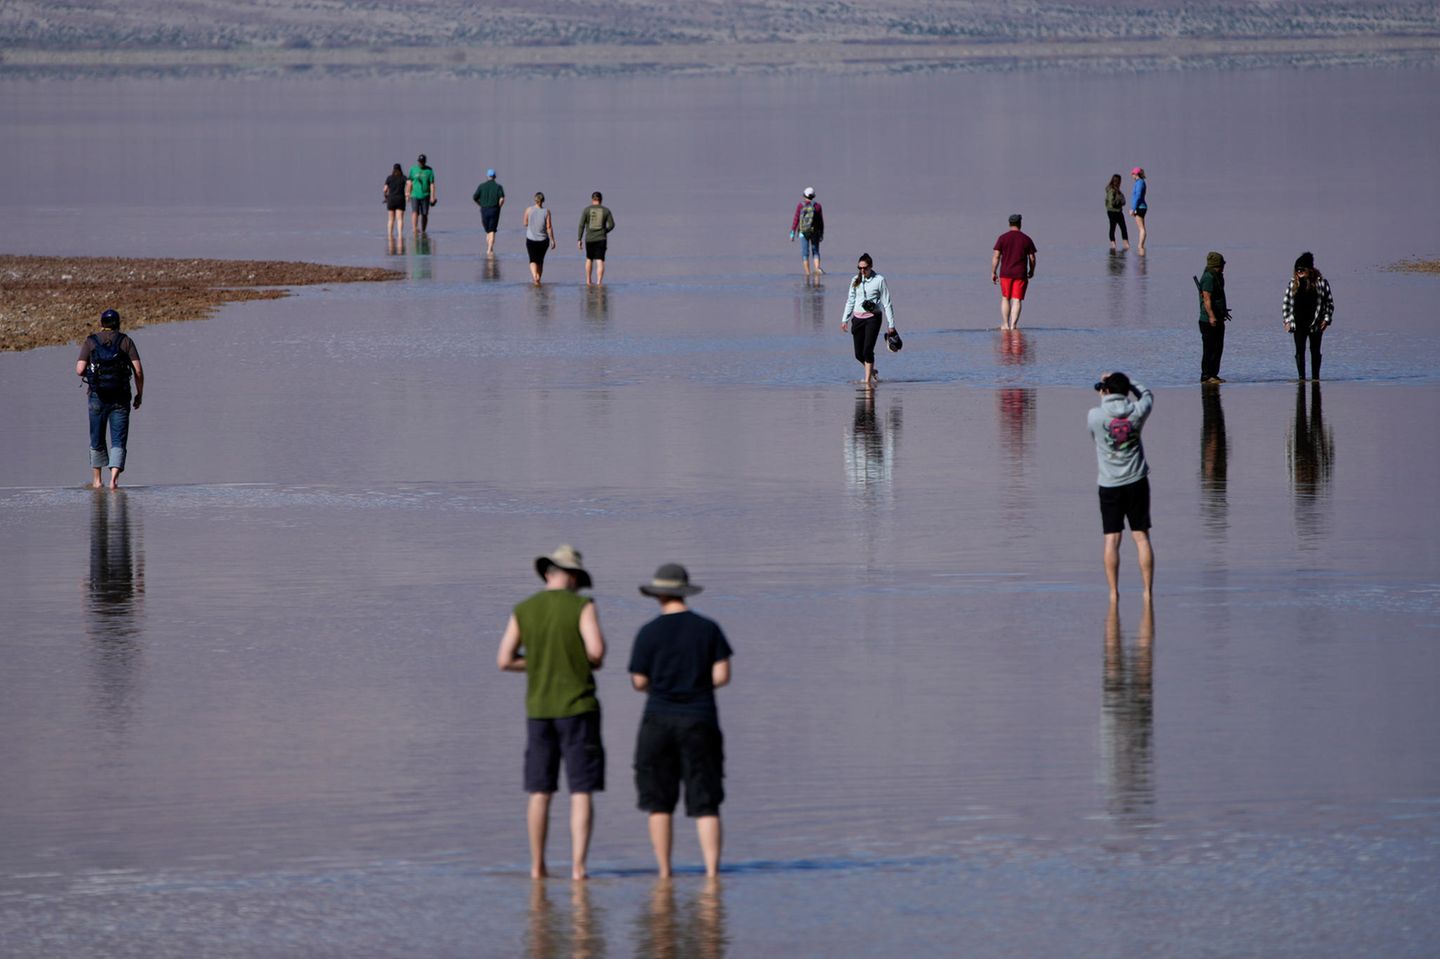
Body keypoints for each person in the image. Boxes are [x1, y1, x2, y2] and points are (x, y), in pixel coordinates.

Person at [496, 545, 607, 881]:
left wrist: (539, 662)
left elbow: (504, 660)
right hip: (578, 707)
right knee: (580, 790)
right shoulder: (582, 606)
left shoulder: (523, 609)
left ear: (548, 573)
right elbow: (597, 653)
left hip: (539, 709)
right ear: (572, 576)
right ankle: (578, 867)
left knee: (540, 791)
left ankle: (537, 866)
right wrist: (573, 661)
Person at [628, 564, 733, 878]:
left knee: (659, 802)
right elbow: (722, 676)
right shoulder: (708, 628)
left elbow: (638, 681)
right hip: (700, 717)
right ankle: (713, 872)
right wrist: (696, 685)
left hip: (658, 718)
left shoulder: (648, 632)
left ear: (658, 594)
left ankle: (664, 872)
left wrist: (661, 686)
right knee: (706, 800)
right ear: (685, 591)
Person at [1087, 372, 1155, 600]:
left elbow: (1094, 436)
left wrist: (1105, 394)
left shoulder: (1095, 416)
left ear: (1105, 391)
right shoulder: (1137, 412)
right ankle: (1147, 591)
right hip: (1137, 481)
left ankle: (1114, 593)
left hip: (1109, 484)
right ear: (1126, 391)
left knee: (1112, 539)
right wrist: (1130, 381)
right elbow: (1146, 394)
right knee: (1141, 537)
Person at [75, 309, 144, 490]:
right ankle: (113, 480)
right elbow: (138, 371)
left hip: (97, 397)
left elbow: (79, 369)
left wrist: (91, 375)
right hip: (121, 397)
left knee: (96, 438)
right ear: (118, 324)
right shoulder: (126, 341)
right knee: (118, 440)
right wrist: (139, 394)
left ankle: (97, 481)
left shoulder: (91, 341)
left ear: (101, 324)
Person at [841, 252, 898, 388]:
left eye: (865, 268)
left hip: (873, 318)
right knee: (858, 354)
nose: (862, 271)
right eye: (859, 268)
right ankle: (872, 370)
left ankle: (867, 383)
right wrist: (845, 319)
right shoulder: (855, 280)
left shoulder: (879, 280)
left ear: (871, 266)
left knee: (867, 350)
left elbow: (887, 302)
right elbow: (850, 300)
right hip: (857, 319)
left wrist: (891, 324)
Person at [1282, 251, 1335, 381]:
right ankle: (1301, 378)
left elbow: (1329, 303)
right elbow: (1286, 303)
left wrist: (1326, 320)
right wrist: (1287, 321)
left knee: (1315, 350)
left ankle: (1315, 378)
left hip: (1315, 323)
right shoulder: (1293, 283)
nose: (1299, 273)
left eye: (1302, 270)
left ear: (1309, 270)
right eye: (1297, 270)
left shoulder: (1321, 283)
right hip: (1298, 323)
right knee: (1300, 350)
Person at [991, 214, 1037, 331]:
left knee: (1005, 298)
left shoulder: (1002, 238)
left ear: (1009, 224)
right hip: (1020, 274)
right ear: (1020, 224)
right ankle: (1013, 326)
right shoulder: (1026, 239)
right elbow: (1032, 258)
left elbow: (996, 256)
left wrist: (993, 271)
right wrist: (1032, 270)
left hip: (1005, 273)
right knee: (1017, 299)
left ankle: (1005, 325)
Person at [1196, 251, 1231, 384]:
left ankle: (1214, 375)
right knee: (1209, 348)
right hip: (1208, 321)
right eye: (1222, 264)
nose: (1223, 267)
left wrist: (1222, 311)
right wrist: (1211, 316)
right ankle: (1206, 375)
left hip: (1218, 319)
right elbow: (1207, 298)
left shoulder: (1218, 277)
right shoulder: (1209, 277)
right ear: (1217, 265)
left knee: (1218, 348)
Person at [577, 192, 615, 285]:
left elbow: (581, 225)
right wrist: (604, 231)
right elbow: (612, 225)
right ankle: (599, 282)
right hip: (601, 239)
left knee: (589, 259)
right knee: (600, 260)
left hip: (589, 239)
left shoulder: (586, 210)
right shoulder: (606, 210)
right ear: (601, 200)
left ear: (592, 199)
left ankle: (588, 280)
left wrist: (579, 239)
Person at [790, 187, 825, 277]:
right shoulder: (817, 206)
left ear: (804, 195)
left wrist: (792, 232)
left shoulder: (800, 206)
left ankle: (807, 273)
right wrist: (821, 233)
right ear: (813, 196)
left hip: (803, 232)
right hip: (815, 232)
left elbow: (796, 219)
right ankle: (817, 269)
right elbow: (821, 221)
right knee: (815, 251)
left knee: (805, 253)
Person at [522, 192, 556, 285]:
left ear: (535, 200)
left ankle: (535, 277)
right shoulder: (546, 211)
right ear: (543, 200)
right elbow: (549, 227)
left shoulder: (528, 210)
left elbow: (525, 223)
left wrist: (532, 223)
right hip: (543, 241)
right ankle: (538, 279)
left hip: (531, 240)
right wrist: (552, 240)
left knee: (532, 259)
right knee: (540, 261)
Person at [472, 168, 506, 255]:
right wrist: (499, 207)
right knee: (492, 230)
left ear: (487, 176)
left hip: (484, 210)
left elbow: (474, 197)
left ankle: (490, 248)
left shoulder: (481, 186)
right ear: (495, 176)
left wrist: (480, 204)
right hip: (494, 209)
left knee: (488, 231)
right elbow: (502, 199)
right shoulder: (498, 187)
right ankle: (489, 249)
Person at [407, 153, 436, 234]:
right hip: (415, 194)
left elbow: (432, 184)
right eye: (419, 162)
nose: (421, 163)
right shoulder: (413, 169)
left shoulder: (429, 170)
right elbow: (409, 182)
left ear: (425, 162)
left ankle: (423, 230)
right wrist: (408, 193)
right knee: (415, 212)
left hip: (425, 195)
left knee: (424, 214)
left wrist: (433, 197)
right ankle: (414, 228)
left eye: (422, 162)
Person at [1105, 174, 1129, 252]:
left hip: (1118, 211)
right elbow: (1112, 202)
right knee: (1113, 228)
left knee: (1123, 228)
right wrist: (1120, 201)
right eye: (1120, 181)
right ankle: (1113, 245)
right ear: (1117, 181)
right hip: (1112, 212)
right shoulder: (1111, 190)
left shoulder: (1118, 190)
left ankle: (1126, 245)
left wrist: (1121, 201)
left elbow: (1123, 201)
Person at [383, 163, 408, 239]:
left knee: (391, 219)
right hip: (400, 199)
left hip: (391, 199)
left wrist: (386, 197)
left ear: (393, 169)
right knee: (399, 219)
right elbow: (409, 183)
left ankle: (390, 235)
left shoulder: (389, 178)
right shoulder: (403, 178)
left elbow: (384, 189)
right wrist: (408, 193)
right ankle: (400, 235)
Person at [1129, 167, 1148, 255]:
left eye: (1132, 174)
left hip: (1140, 207)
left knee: (1141, 228)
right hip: (1140, 207)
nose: (1132, 175)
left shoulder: (1140, 183)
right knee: (1141, 228)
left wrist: (1133, 208)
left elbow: (1138, 196)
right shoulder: (1140, 182)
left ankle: (1140, 246)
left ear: (1136, 174)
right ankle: (1141, 246)